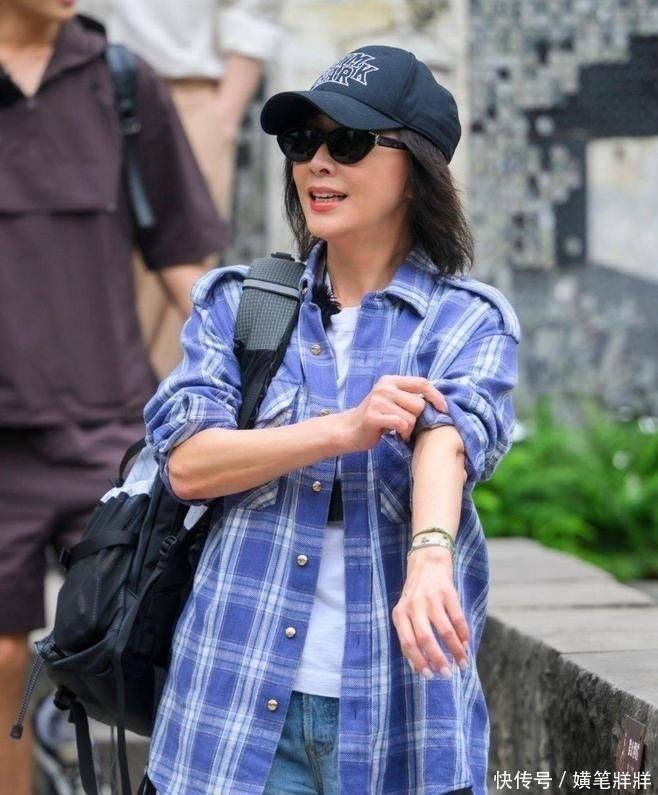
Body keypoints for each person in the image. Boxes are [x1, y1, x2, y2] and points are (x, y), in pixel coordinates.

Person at [142, 45, 522, 795]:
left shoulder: (466, 319)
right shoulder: (237, 304)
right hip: (230, 712)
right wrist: (344, 429)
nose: (317, 163)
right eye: (301, 141)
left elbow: (448, 435)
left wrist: (431, 557)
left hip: (397, 718)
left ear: (416, 168)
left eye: (346, 142)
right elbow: (187, 463)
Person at [0, 2, 227, 793]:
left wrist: (252, 369)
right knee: (0, 658)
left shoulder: (122, 81)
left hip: (109, 431)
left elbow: (185, 256)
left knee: (161, 637)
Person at [77, 0, 284, 378]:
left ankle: (155, 408)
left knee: (179, 266)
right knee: (80, 256)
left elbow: (253, 11)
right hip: (74, 86)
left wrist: (224, 116)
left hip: (184, 88)